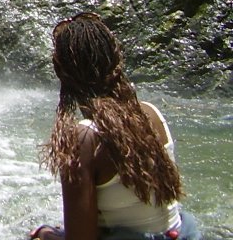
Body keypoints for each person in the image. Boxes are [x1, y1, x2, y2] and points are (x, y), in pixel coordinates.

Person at [30, 12, 201, 240]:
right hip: (180, 234)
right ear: (115, 60)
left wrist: (45, 235)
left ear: (62, 73)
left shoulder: (84, 139)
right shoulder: (150, 112)